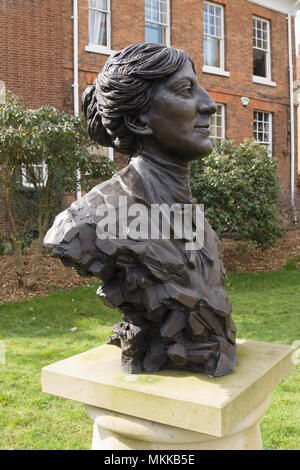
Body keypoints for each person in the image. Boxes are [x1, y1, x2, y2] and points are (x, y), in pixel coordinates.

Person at [44, 43, 236, 376]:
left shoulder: (191, 216)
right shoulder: (89, 221)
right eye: (185, 90)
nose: (208, 105)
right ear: (138, 119)